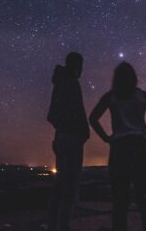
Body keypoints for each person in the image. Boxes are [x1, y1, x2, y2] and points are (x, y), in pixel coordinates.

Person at [89, 62, 146, 231]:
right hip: (140, 147)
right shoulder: (142, 95)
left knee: (120, 202)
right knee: (145, 200)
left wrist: (106, 138)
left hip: (119, 149)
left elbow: (93, 118)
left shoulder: (111, 96)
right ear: (134, 77)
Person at [46, 52, 90, 231]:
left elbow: (53, 115)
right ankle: (62, 226)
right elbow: (74, 113)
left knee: (61, 185)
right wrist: (79, 132)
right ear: (76, 65)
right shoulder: (70, 83)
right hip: (70, 139)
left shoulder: (61, 82)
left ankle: (54, 225)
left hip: (63, 137)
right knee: (69, 188)